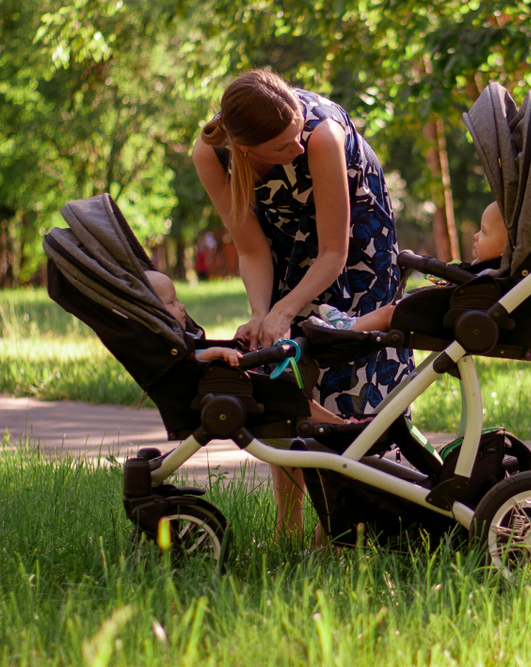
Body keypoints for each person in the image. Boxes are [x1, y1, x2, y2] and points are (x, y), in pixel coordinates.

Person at [192, 69, 413, 533]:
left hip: (354, 250)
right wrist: (264, 314)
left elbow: (334, 252)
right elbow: (252, 249)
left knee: (346, 373)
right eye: (282, 147)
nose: (295, 147)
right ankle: (287, 528)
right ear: (248, 150)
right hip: (283, 247)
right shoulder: (212, 154)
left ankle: (340, 528)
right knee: (285, 379)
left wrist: (286, 311)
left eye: (297, 133)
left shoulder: (320, 135)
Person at [145, 270, 348, 426]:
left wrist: (236, 345)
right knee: (284, 391)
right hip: (216, 389)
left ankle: (336, 424)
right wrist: (215, 353)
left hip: (222, 384)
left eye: (178, 300)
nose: (182, 307)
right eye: (171, 302)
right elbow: (188, 362)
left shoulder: (177, 337)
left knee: (288, 388)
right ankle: (337, 425)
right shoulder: (166, 345)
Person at [316, 201, 508, 333]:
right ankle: (351, 324)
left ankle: (348, 329)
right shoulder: (486, 272)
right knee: (392, 308)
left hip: (451, 316)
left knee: (390, 313)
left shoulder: (491, 277)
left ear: (504, 252)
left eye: (483, 231)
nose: (475, 236)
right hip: (450, 312)